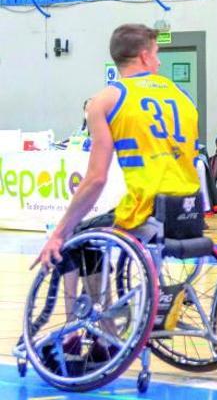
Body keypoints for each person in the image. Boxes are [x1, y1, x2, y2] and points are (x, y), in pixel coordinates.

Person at [37, 24, 201, 357]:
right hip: (190, 209)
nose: (158, 62)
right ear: (144, 55)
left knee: (75, 238)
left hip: (148, 210)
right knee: (95, 232)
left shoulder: (107, 99)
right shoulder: (181, 96)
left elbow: (95, 179)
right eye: (156, 54)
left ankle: (93, 331)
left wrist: (59, 230)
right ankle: (99, 328)